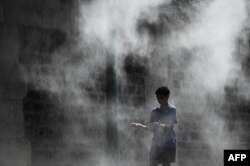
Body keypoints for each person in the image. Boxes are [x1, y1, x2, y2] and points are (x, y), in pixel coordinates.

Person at [131, 86, 178, 166]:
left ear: (167, 97)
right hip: (156, 142)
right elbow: (152, 127)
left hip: (168, 143)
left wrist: (159, 126)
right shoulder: (154, 111)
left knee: (166, 164)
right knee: (152, 161)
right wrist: (141, 126)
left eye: (161, 97)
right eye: (157, 97)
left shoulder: (172, 109)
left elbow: (170, 127)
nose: (159, 100)